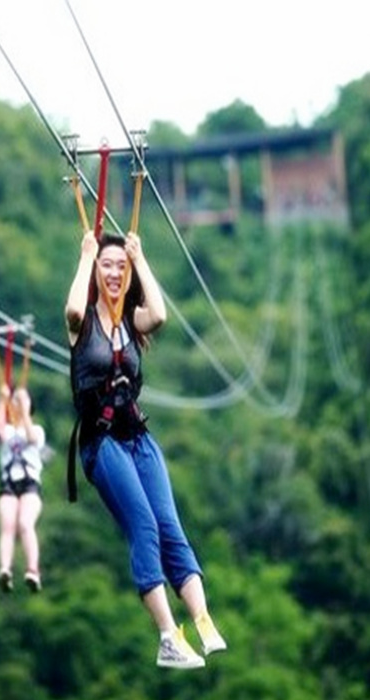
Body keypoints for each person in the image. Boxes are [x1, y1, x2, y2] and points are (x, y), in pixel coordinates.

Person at [64, 229, 227, 669]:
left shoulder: (131, 323)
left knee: (170, 526)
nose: (115, 273)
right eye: (108, 265)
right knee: (144, 526)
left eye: (121, 267)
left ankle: (202, 619)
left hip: (137, 438)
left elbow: (158, 315)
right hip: (102, 444)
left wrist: (141, 258)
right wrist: (86, 256)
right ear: (96, 271)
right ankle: (168, 635)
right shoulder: (84, 326)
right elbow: (75, 308)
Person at [0, 382, 46, 592]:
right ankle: (5, 569)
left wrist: (24, 408)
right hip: (8, 484)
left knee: (25, 523)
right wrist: (2, 401)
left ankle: (32, 570)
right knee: (8, 526)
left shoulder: (36, 430)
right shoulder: (6, 430)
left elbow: (31, 438)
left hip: (30, 483)